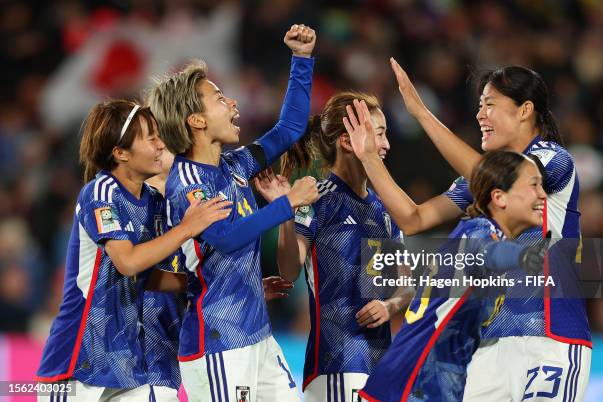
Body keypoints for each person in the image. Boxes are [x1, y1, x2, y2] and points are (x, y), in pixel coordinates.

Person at [349, 60, 590, 400]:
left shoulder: (554, 160)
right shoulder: (478, 182)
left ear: (525, 110)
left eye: (489, 104)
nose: (480, 115)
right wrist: (369, 158)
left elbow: (501, 177)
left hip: (550, 340)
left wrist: (422, 114)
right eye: (479, 106)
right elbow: (414, 218)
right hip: (487, 346)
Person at [147, 24, 319, 401]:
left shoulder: (235, 166)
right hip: (218, 344)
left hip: (256, 333)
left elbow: (290, 128)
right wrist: (287, 204)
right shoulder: (186, 181)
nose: (233, 103)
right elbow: (225, 236)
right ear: (197, 120)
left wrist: (301, 59)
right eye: (220, 98)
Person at [35, 100, 231, 401]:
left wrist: (211, 286)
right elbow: (127, 262)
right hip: (77, 361)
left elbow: (149, 277)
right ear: (121, 153)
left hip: (126, 363)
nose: (159, 144)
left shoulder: (152, 201)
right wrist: (186, 228)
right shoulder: (100, 193)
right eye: (149, 137)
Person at [254, 91, 413, 401]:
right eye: (378, 134)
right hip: (336, 365)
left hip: (382, 366)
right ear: (346, 140)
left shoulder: (386, 208)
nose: (386, 145)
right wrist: (286, 210)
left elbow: (405, 286)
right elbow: (288, 269)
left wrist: (389, 306)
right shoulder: (317, 199)